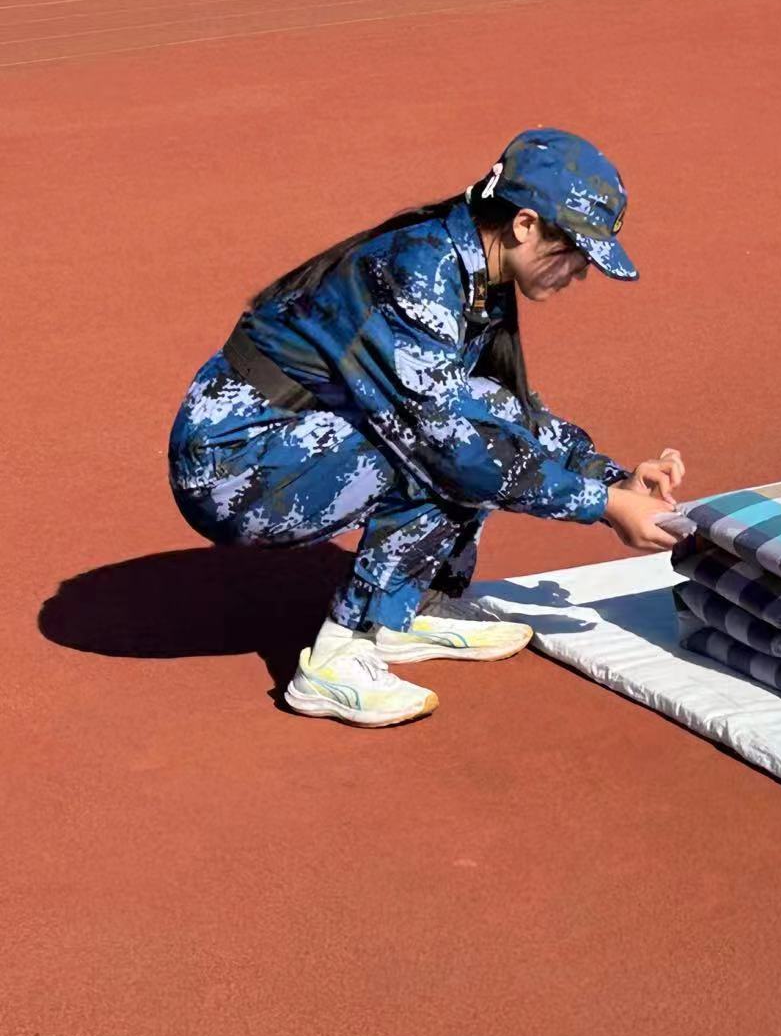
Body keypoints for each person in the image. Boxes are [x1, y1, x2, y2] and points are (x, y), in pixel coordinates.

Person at [168, 129, 684, 726]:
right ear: (524, 225)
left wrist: (611, 477)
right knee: (453, 453)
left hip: (293, 439)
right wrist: (604, 507)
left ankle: (408, 608)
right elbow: (453, 445)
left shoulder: (474, 268)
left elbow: (506, 408)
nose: (581, 273)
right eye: (575, 251)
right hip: (232, 468)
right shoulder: (420, 272)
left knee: (477, 423)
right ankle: (338, 658)